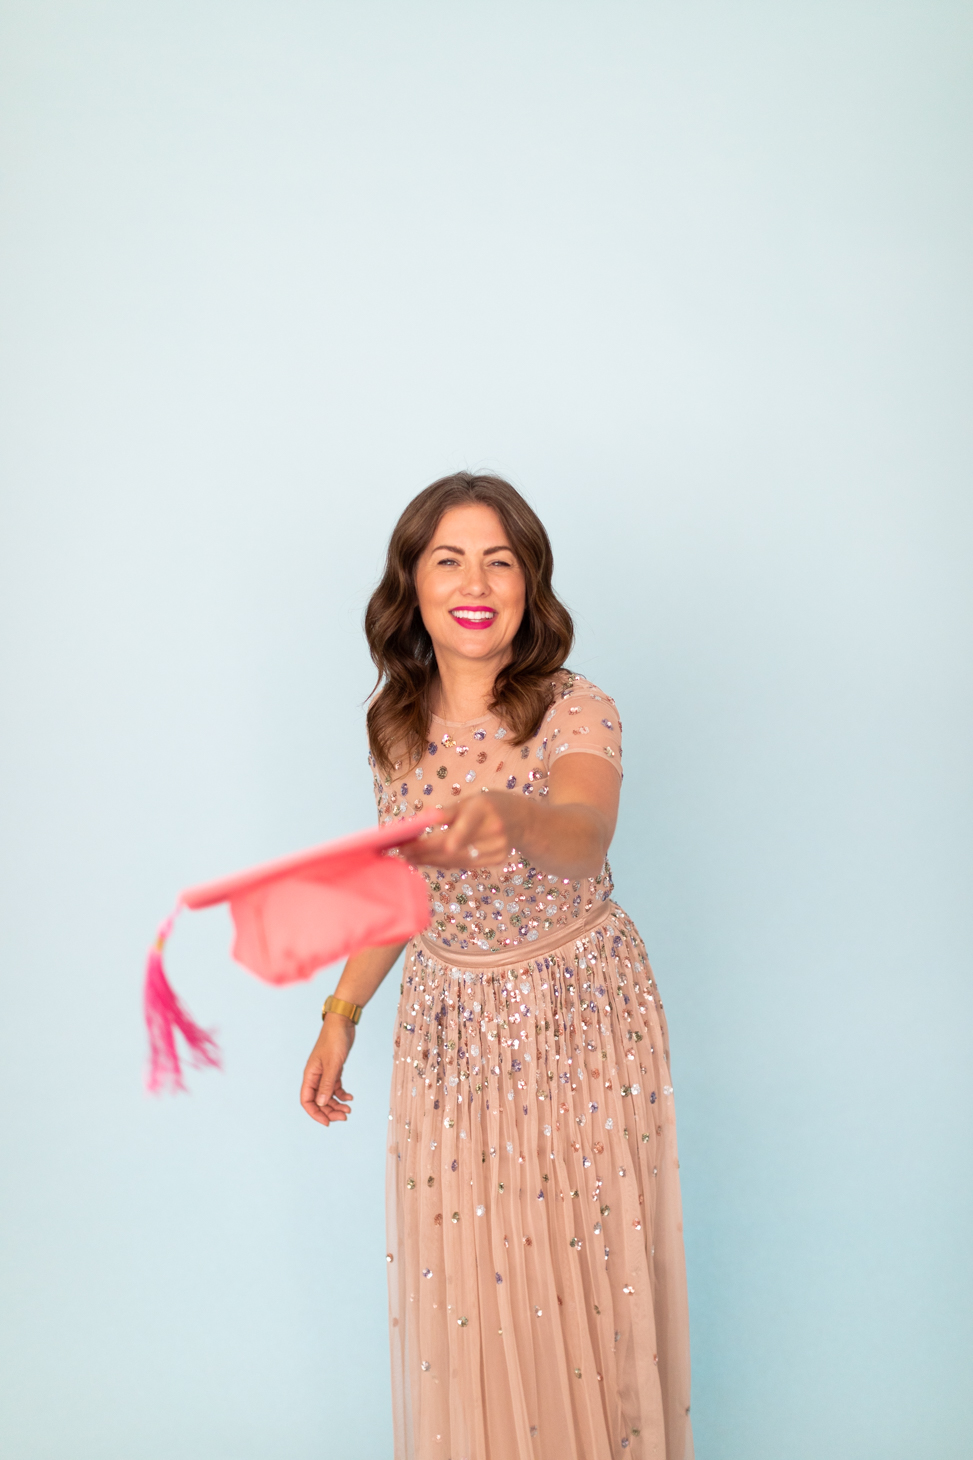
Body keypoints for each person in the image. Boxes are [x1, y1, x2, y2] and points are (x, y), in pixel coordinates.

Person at [300, 472, 693, 1460]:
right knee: (473, 1287)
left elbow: (582, 830)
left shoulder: (574, 705)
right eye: (447, 558)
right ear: (413, 586)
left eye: (499, 558)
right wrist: (341, 1010)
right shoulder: (395, 721)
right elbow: (400, 882)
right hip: (448, 1029)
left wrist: (515, 815)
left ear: (529, 582)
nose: (475, 579)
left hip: (573, 1012)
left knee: (579, 1279)